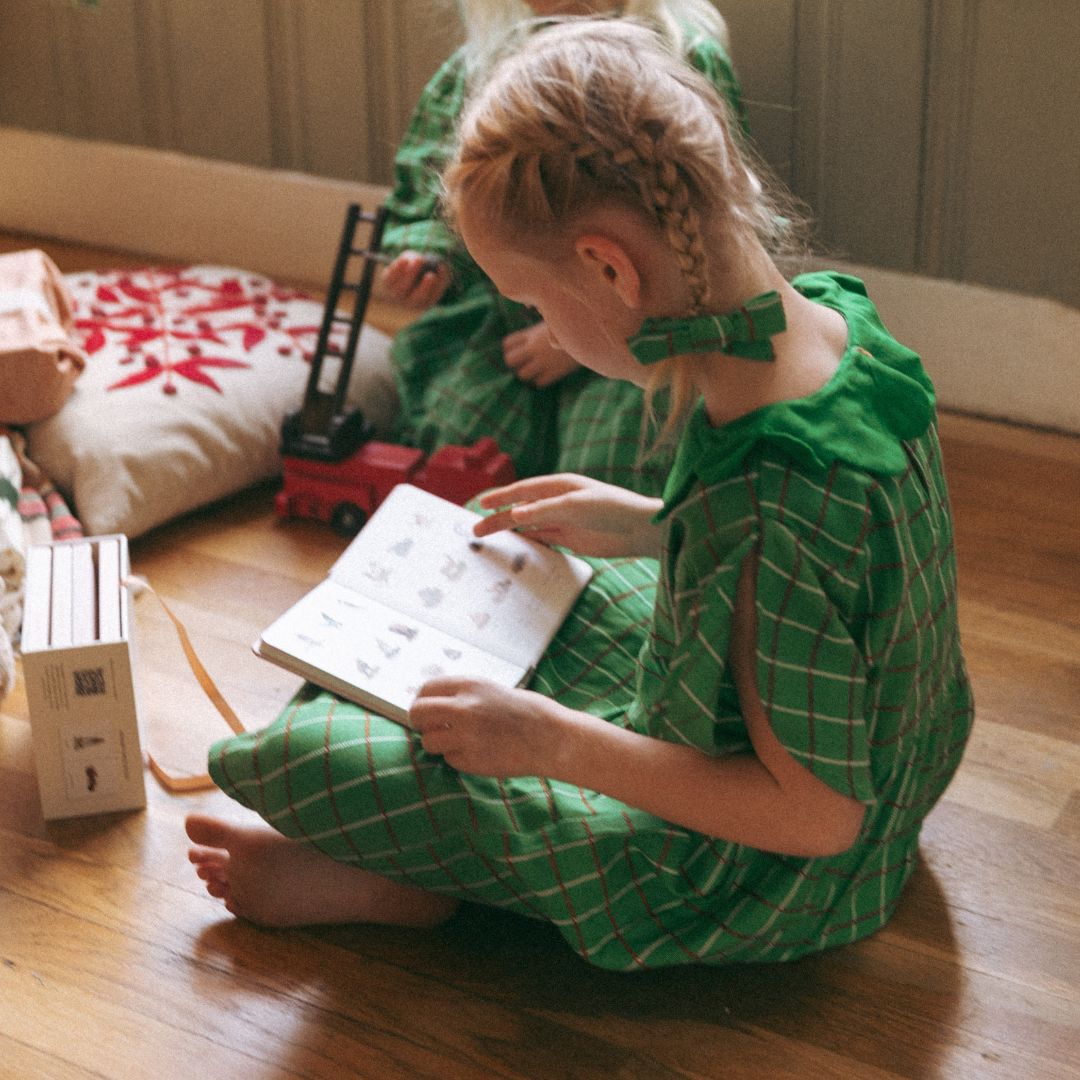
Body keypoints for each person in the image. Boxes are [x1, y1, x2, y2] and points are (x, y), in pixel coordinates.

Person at [187, 19, 974, 970]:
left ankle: (405, 884)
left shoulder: (775, 501)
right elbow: (832, 573)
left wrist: (555, 744)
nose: (541, 327)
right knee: (524, 582)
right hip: (889, 754)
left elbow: (816, 818)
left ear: (608, 267)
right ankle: (425, 846)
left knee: (320, 758)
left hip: (772, 867)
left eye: (534, 302)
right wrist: (650, 524)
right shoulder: (836, 328)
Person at [377, 0, 747, 493]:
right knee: (460, 439)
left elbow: (701, 217)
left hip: (637, 323)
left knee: (619, 461)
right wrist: (430, 258)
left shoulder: (679, 55)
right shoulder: (482, 64)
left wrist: (576, 339)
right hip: (504, 315)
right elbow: (438, 186)